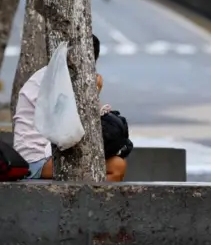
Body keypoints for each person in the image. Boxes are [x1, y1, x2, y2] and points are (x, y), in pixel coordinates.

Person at [13, 34, 127, 182]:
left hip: (49, 152)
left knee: (114, 159)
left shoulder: (55, 74)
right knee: (117, 167)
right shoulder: (58, 80)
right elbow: (73, 131)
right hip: (36, 160)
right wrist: (94, 94)